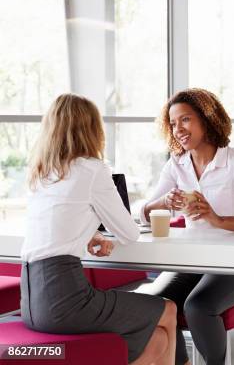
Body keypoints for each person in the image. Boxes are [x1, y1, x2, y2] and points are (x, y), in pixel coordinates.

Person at [21, 93, 177, 365]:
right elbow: (128, 233)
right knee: (168, 310)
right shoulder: (92, 169)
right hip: (66, 299)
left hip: (32, 304)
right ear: (92, 129)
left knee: (158, 341)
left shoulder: (41, 173)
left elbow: (56, 223)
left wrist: (89, 234)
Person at [140, 88, 234, 365]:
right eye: (173, 124)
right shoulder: (177, 165)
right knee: (154, 303)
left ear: (207, 119)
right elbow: (141, 212)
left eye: (185, 120)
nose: (178, 129)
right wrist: (162, 202)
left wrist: (217, 220)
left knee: (198, 306)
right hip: (193, 261)